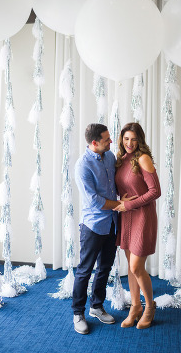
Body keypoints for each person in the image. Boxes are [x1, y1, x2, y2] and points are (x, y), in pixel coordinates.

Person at [72, 123, 135, 335]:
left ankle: (96, 306)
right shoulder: (82, 166)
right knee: (84, 271)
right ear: (94, 143)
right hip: (92, 225)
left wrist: (126, 197)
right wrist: (119, 204)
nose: (111, 141)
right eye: (107, 139)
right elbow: (94, 200)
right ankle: (78, 313)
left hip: (112, 223)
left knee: (105, 268)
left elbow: (118, 181)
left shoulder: (109, 157)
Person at [113, 123, 162, 329]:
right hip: (127, 217)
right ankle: (135, 307)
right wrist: (120, 199)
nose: (129, 143)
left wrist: (129, 204)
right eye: (126, 139)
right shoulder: (121, 159)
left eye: (133, 139)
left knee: (136, 266)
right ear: (121, 139)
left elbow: (155, 191)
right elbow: (123, 186)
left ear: (139, 140)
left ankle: (149, 306)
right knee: (131, 268)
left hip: (142, 216)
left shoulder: (143, 158)